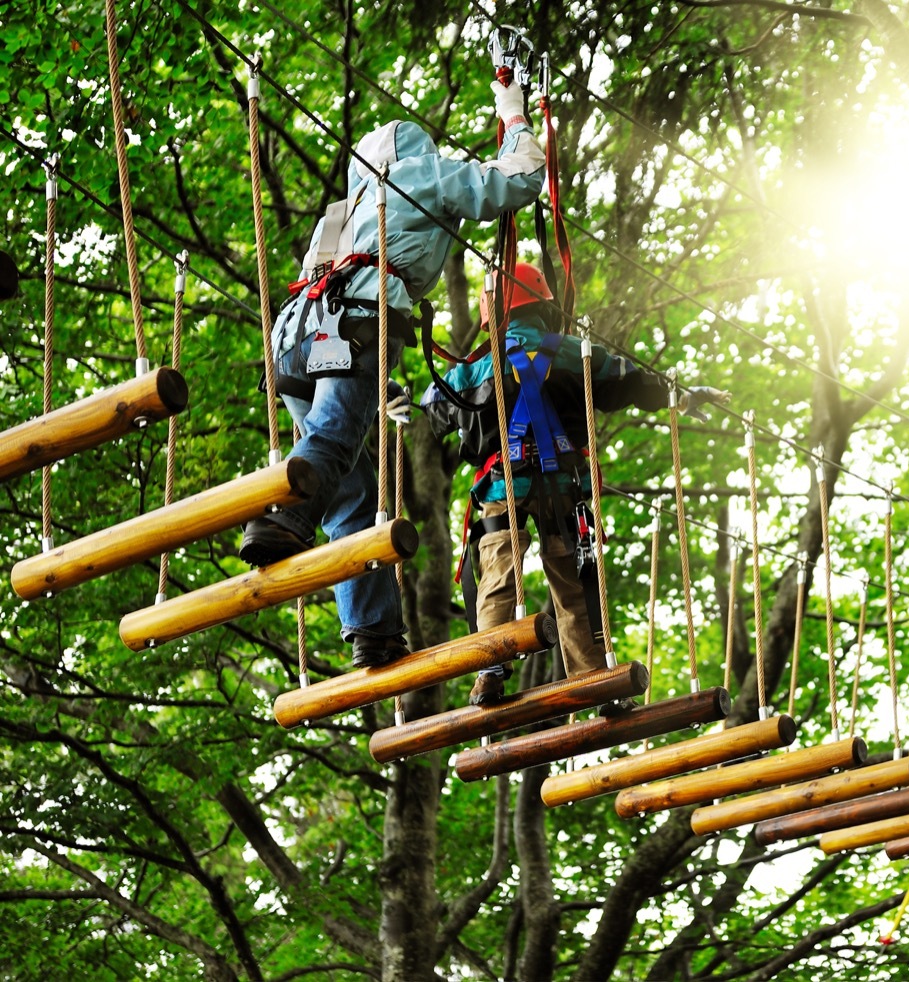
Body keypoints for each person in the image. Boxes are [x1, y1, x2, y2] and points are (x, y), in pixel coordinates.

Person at [239, 81, 545, 670]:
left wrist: (379, 386)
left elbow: (331, 302)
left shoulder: (341, 214)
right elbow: (520, 178)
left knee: (350, 490)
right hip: (354, 324)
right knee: (334, 438)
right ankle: (283, 515)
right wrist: (512, 112)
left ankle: (372, 630)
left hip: (293, 343)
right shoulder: (419, 177)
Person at [420, 262, 730, 706]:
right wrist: (680, 394)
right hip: (565, 487)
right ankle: (594, 679)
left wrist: (394, 401)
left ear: (493, 316)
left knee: (497, 572)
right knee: (574, 585)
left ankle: (489, 669)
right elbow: (633, 381)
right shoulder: (577, 353)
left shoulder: (473, 371)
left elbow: (433, 406)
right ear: (546, 308)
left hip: (500, 487)